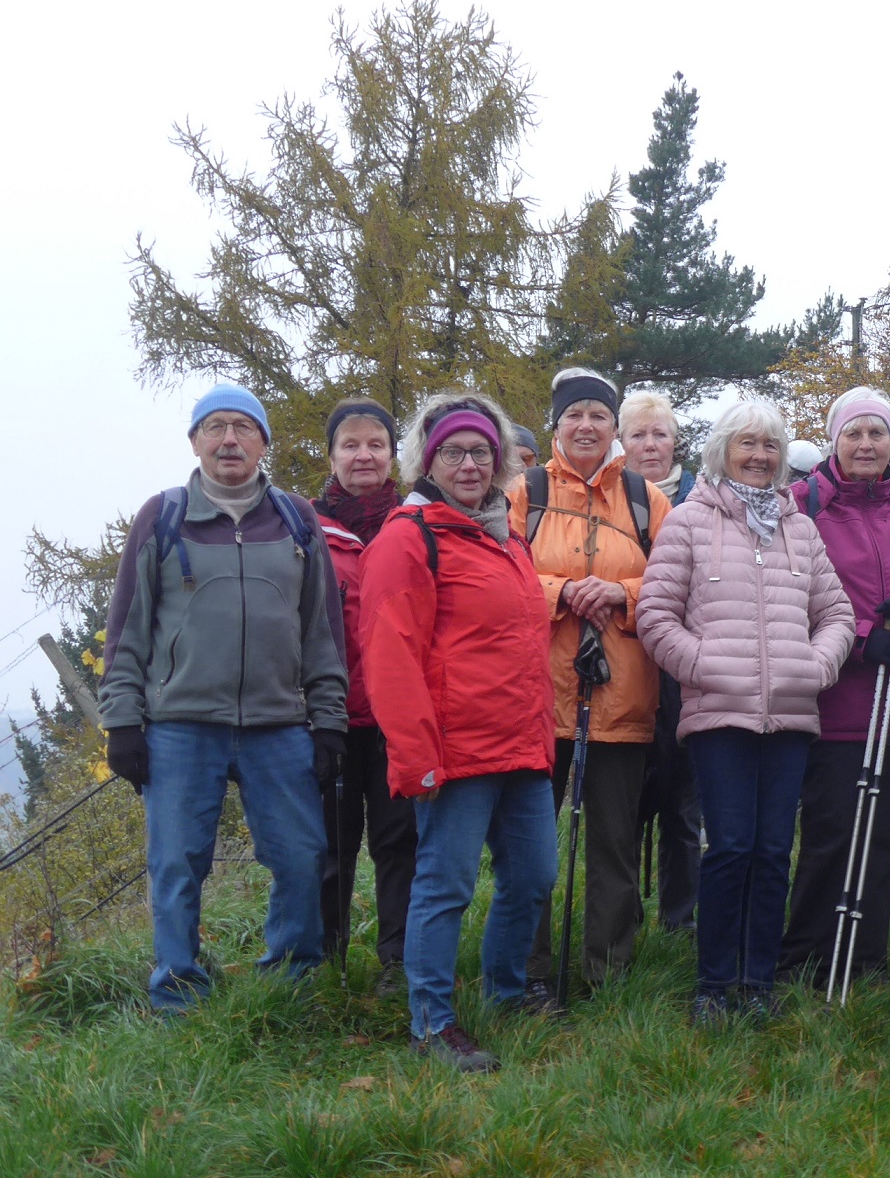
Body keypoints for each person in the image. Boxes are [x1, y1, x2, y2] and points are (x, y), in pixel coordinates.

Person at [101, 384, 348, 1014]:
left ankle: (290, 982)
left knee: (300, 856)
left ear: (264, 442)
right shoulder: (163, 516)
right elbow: (127, 627)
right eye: (215, 427)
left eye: (243, 427)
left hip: (280, 722)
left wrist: (329, 720)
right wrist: (122, 723)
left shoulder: (295, 519)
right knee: (176, 865)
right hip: (180, 725)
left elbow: (322, 630)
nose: (229, 439)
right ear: (195, 442)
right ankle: (178, 993)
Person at [637, 401, 856, 1023]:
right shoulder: (688, 521)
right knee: (730, 847)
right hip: (719, 717)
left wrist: (814, 667)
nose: (760, 456)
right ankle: (713, 984)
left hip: (789, 717)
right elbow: (654, 616)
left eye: (770, 446)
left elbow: (837, 614)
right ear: (722, 451)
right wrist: (706, 666)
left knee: (772, 850)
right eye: (747, 444)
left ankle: (758, 982)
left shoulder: (800, 529)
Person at [359, 392, 557, 1071]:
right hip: (454, 751)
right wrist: (416, 756)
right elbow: (390, 656)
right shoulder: (408, 538)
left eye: (481, 452)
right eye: (453, 452)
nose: (469, 464)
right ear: (428, 459)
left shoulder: (507, 535)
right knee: (445, 888)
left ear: (499, 461)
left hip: (521, 746)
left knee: (533, 877)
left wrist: (541, 735)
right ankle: (432, 1026)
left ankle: (505, 995)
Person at [779, 388, 890, 983]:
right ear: (835, 440)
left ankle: (865, 958)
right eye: (853, 433)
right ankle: (804, 956)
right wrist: (860, 638)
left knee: (881, 834)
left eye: (877, 433)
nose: (865, 444)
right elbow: (789, 593)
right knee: (831, 829)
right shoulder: (804, 503)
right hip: (835, 694)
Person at [513, 369, 672, 1003]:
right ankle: (527, 974)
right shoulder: (524, 494)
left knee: (614, 843)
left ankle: (608, 975)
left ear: (614, 427)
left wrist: (621, 593)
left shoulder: (646, 500)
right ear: (556, 424)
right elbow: (497, 577)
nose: (586, 426)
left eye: (598, 416)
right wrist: (562, 592)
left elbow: (674, 582)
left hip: (623, 695)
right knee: (529, 847)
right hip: (534, 696)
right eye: (574, 414)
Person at [314, 397, 416, 997]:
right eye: (350, 445)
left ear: (393, 455)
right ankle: (324, 965)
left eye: (376, 444)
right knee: (329, 844)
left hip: (398, 717)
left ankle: (398, 963)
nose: (364, 456)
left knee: (399, 841)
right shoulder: (303, 527)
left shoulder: (417, 523)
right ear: (331, 456)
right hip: (327, 716)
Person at [619, 390, 702, 933]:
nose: (650, 445)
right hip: (622, 662)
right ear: (621, 443)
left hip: (684, 667)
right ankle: (619, 920)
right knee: (623, 804)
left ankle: (681, 921)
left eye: (660, 434)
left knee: (683, 803)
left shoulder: (702, 497)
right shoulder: (608, 499)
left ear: (675, 441)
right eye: (638, 435)